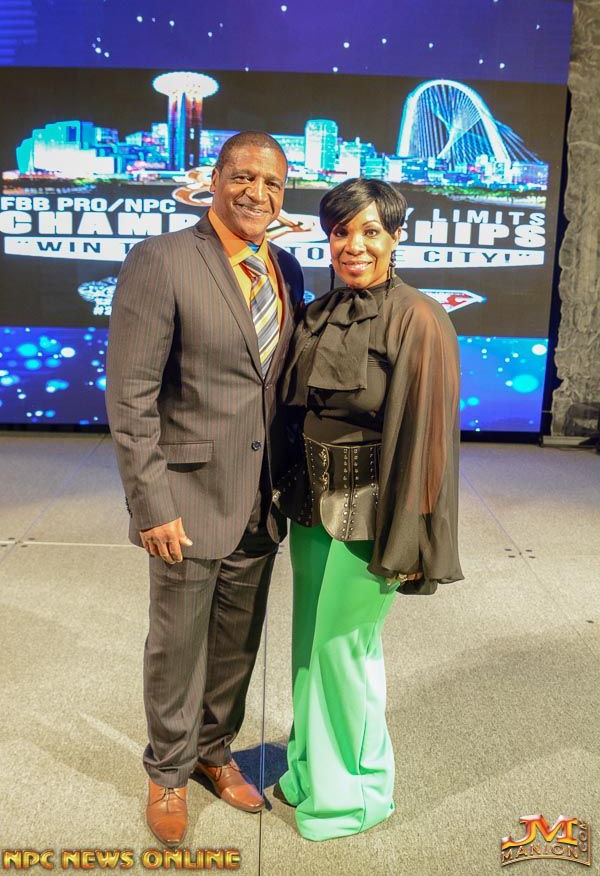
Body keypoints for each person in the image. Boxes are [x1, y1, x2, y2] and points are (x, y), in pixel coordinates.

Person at [106, 131, 304, 847]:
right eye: (244, 177)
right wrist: (151, 503)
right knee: (177, 644)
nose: (257, 193)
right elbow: (130, 395)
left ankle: (213, 752)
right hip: (185, 497)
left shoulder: (286, 267)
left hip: (261, 496)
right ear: (214, 179)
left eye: (273, 183)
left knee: (236, 644)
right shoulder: (160, 260)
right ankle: (167, 770)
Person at [274, 177, 463, 841]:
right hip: (311, 505)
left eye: (370, 231)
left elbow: (428, 442)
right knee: (308, 647)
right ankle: (308, 770)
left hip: (375, 512)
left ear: (395, 237)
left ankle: (355, 796)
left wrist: (413, 540)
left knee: (342, 650)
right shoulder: (319, 312)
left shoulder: (420, 318)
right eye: (341, 232)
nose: (354, 245)